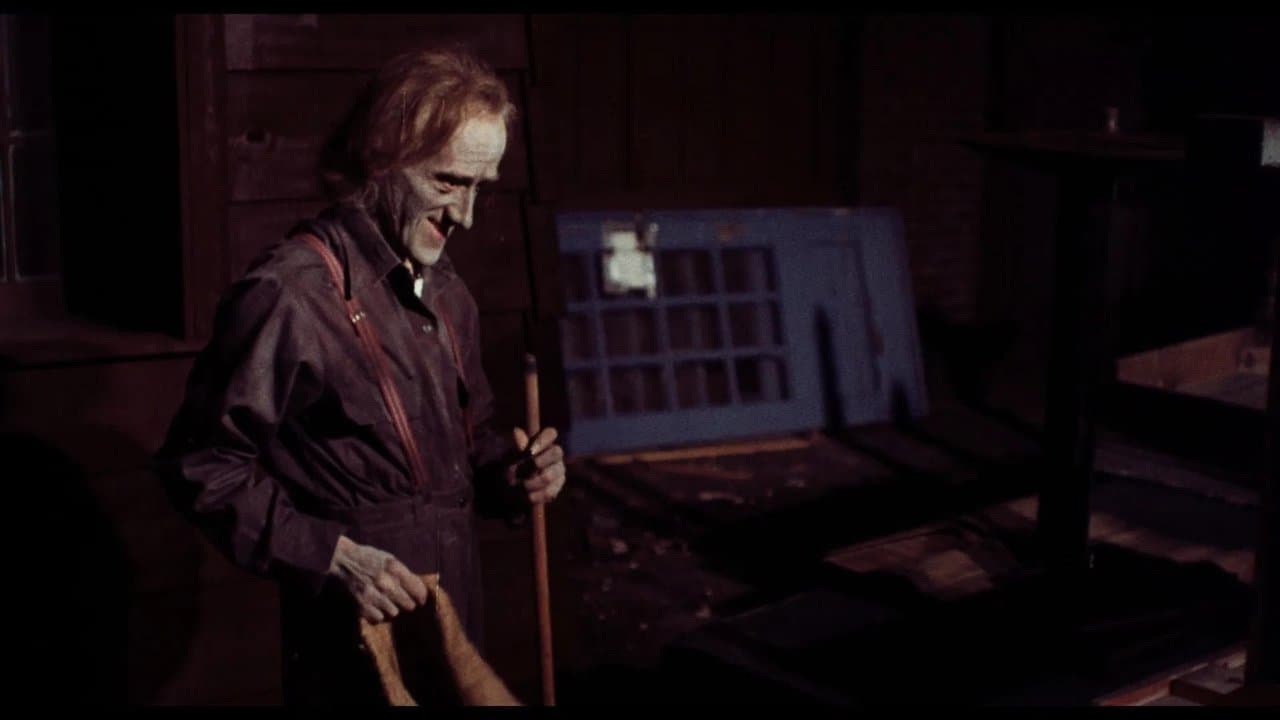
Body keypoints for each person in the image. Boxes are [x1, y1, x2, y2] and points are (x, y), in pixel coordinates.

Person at [155, 46, 565, 706]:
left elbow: (471, 443)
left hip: (453, 619)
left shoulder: (446, 290)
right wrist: (331, 557)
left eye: (480, 187)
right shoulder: (292, 295)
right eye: (448, 183)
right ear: (381, 159)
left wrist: (511, 477)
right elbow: (201, 465)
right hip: (352, 639)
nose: (465, 216)